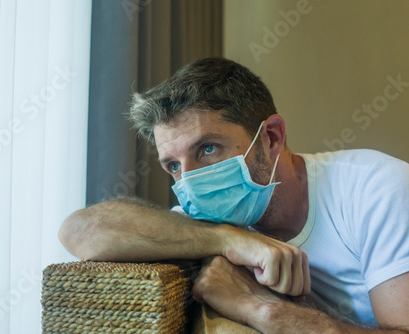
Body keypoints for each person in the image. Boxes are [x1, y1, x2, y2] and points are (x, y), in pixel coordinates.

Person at [59, 58, 409, 333]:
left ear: (271, 138)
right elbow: (79, 231)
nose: (190, 181)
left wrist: (265, 310)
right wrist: (228, 239)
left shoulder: (376, 188)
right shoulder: (208, 223)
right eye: (173, 166)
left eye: (208, 148)